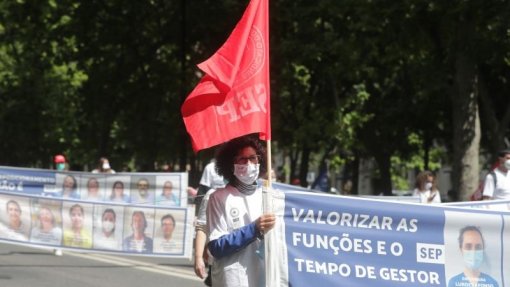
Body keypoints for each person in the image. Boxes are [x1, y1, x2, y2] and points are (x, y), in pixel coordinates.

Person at [207, 135, 276, 287]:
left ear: (260, 161)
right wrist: (254, 229)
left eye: (253, 158)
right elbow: (216, 247)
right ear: (231, 165)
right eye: (242, 159)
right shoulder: (218, 198)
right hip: (232, 279)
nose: (249, 163)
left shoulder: (269, 196)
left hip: (264, 278)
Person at [194, 159, 226, 285]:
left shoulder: (256, 193)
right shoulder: (210, 168)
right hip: (214, 215)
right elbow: (202, 191)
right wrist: (198, 257)